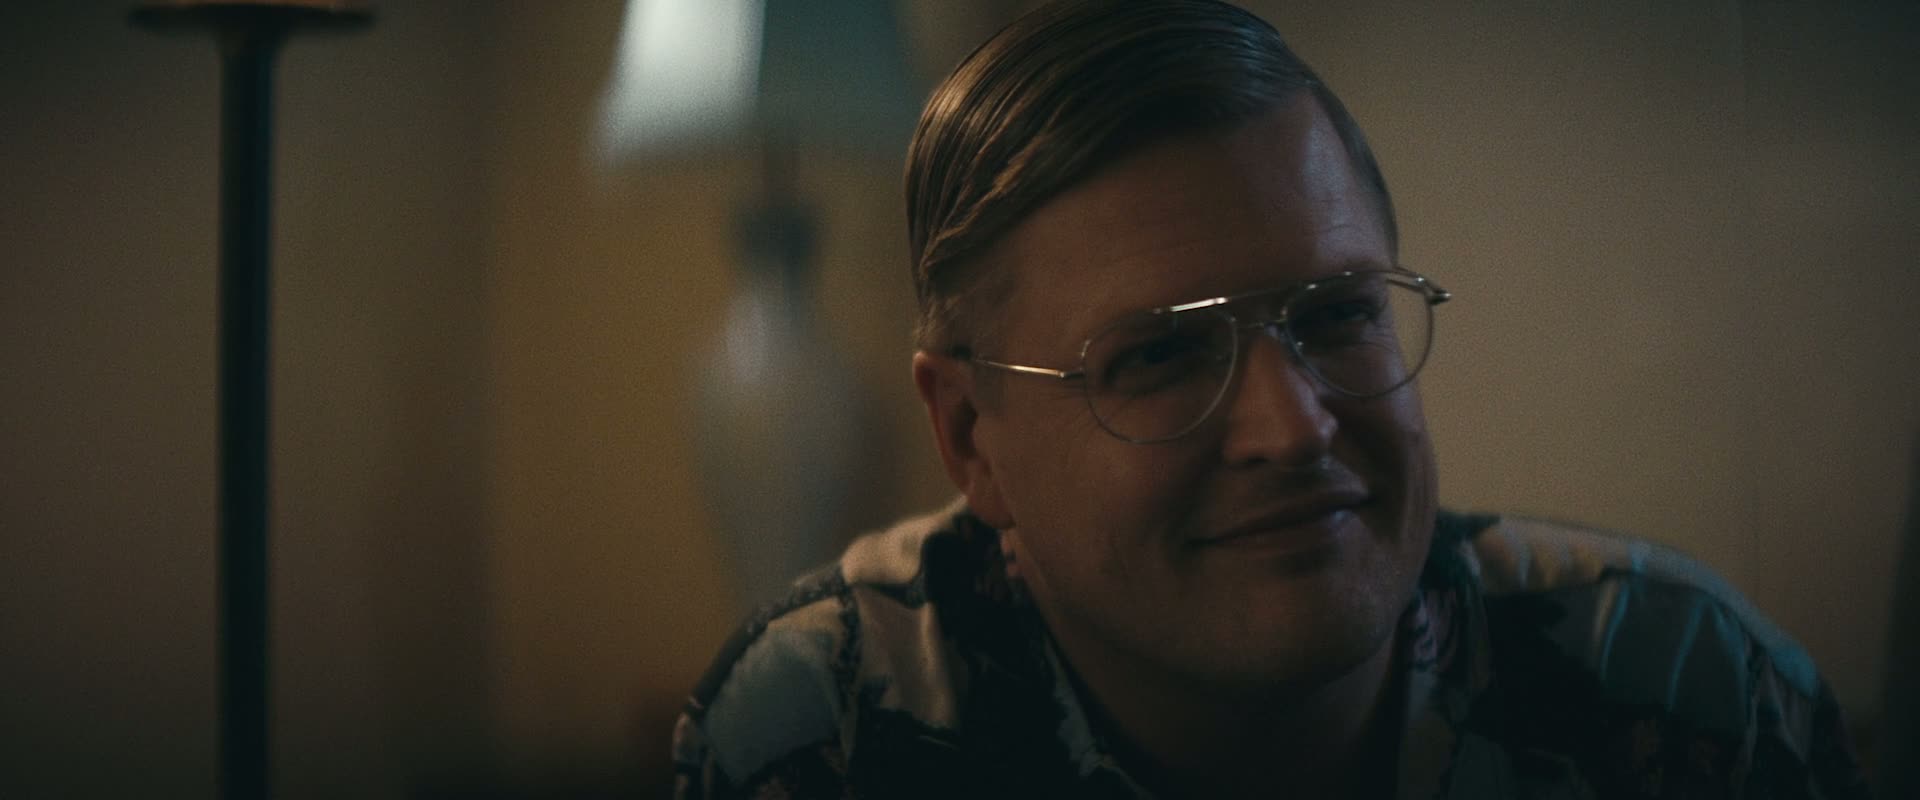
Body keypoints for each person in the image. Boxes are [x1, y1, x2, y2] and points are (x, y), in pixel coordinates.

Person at [671, 1, 1870, 797]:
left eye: (1338, 315)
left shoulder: (1685, 694)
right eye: (1160, 355)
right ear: (971, 436)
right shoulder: (823, 732)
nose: (1294, 428)